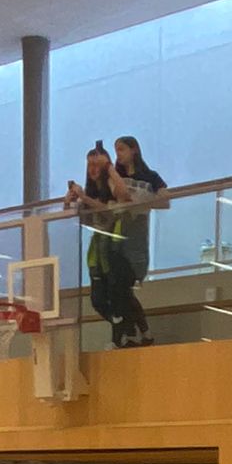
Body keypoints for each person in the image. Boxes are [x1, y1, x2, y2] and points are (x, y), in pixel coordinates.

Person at [68, 145, 142, 347]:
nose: (93, 169)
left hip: (116, 247)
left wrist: (109, 168)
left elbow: (117, 204)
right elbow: (81, 220)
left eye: (97, 164)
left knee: (119, 295)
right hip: (98, 250)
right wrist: (70, 202)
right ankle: (122, 325)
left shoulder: (111, 185)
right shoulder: (90, 192)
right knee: (98, 299)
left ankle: (128, 335)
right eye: (89, 165)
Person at [113, 135, 166, 349]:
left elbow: (166, 200)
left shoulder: (150, 176)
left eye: (122, 149)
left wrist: (144, 201)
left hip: (137, 237)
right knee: (119, 289)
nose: (118, 154)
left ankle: (137, 332)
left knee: (126, 288)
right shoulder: (115, 175)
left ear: (134, 149)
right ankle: (135, 332)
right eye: (116, 150)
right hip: (117, 235)